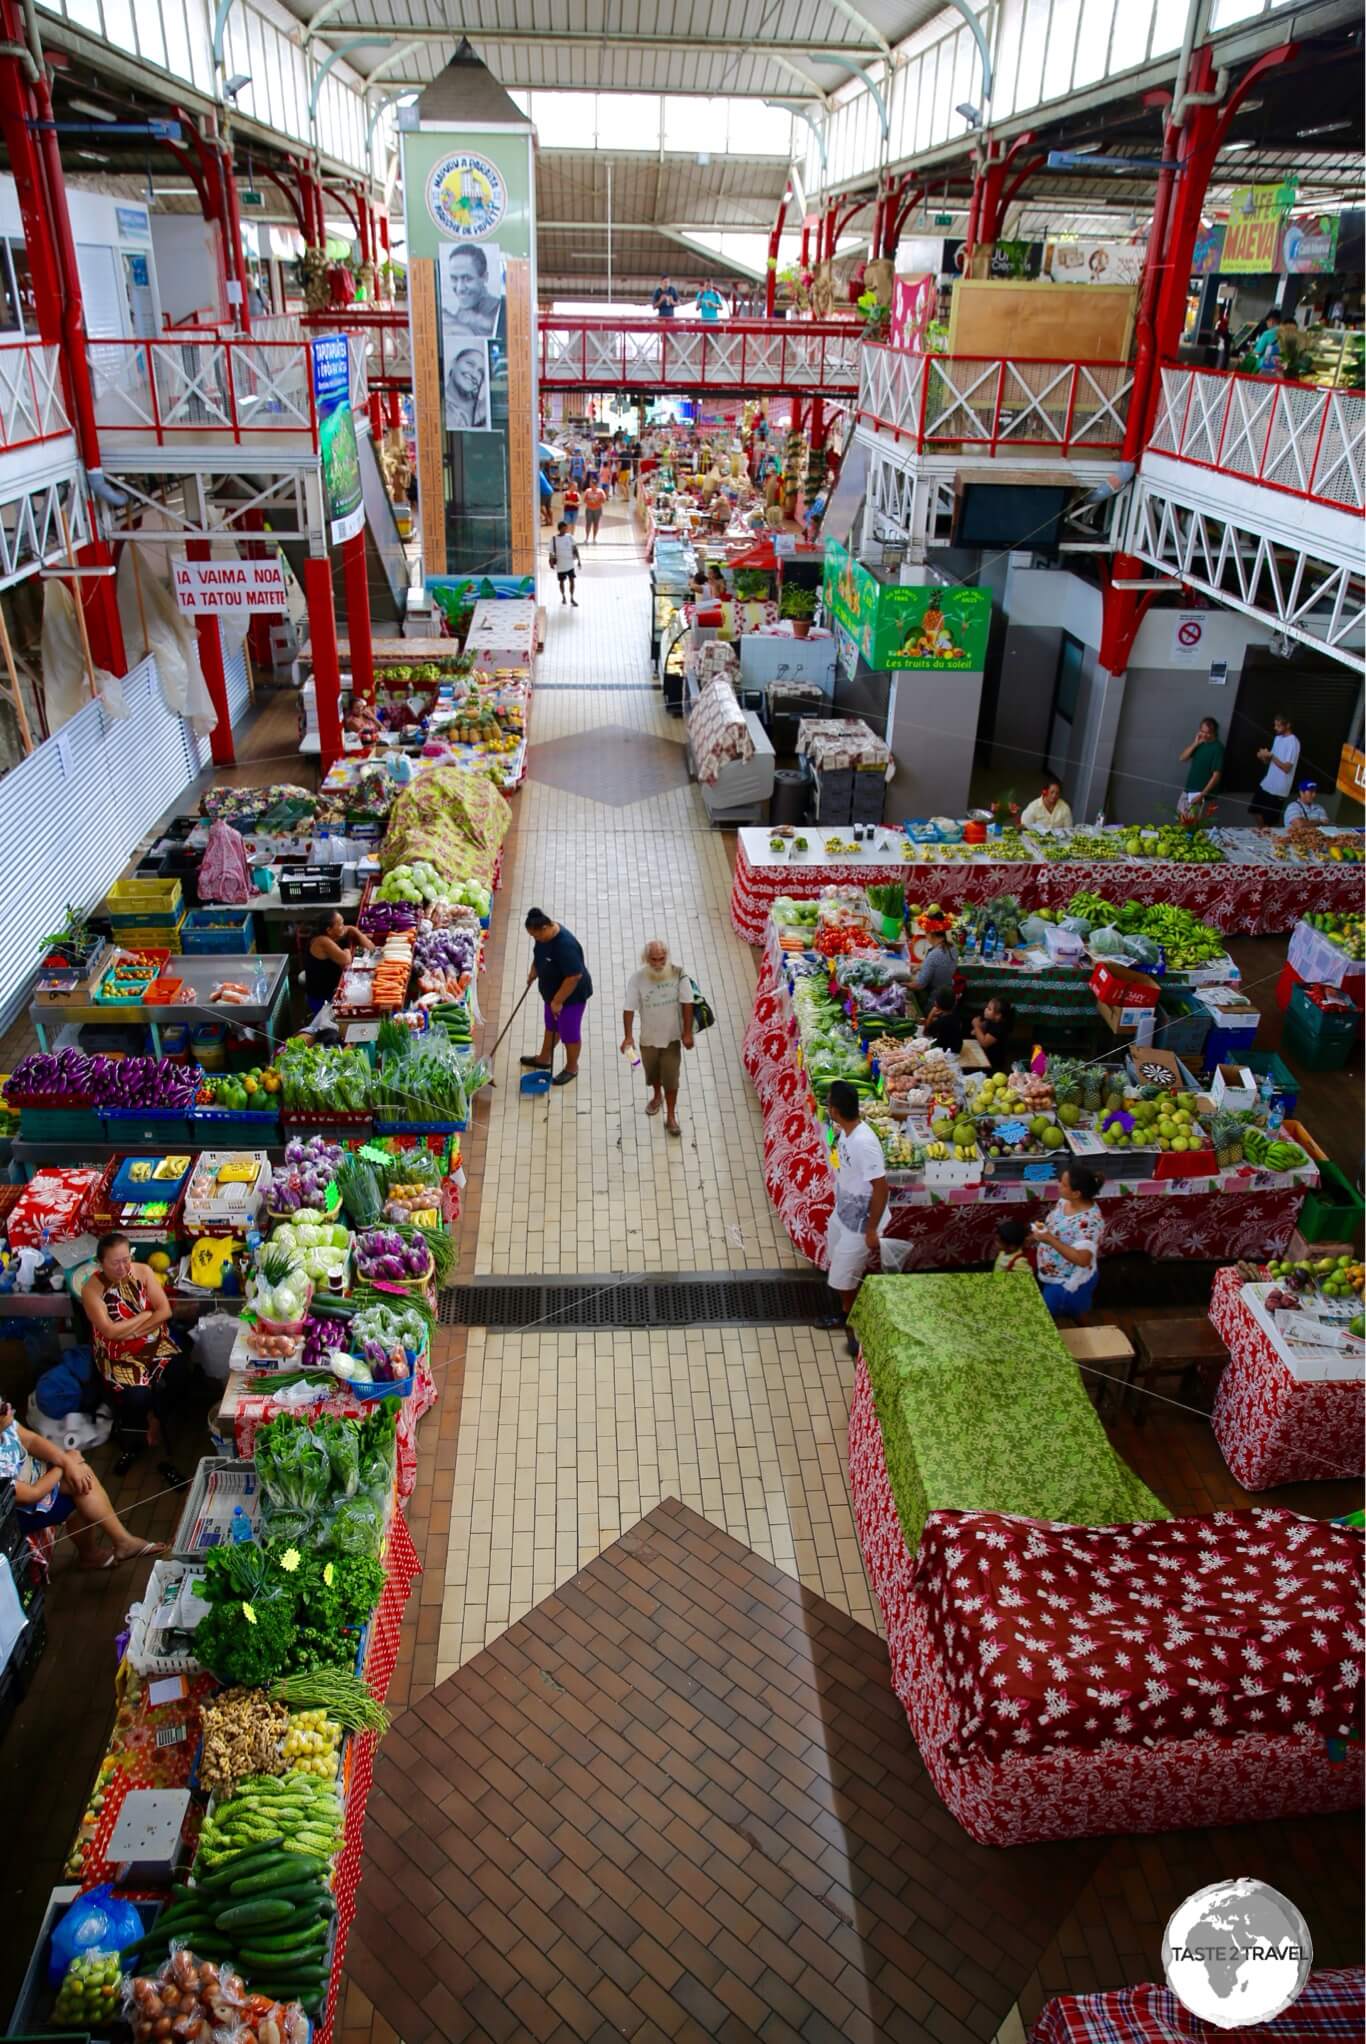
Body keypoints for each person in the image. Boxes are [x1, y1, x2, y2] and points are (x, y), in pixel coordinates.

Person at [0, 1397, 164, 1568]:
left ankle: (118, 1544)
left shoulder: (5, 1421)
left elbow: (30, 1440)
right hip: (14, 1514)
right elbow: (32, 1494)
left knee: (79, 1474)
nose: (9, 1408)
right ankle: (107, 1548)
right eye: (3, 1409)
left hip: (33, 1478)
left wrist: (66, 1461)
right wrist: (65, 1465)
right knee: (78, 1489)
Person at [81, 1234, 183, 1481]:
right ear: (100, 1263)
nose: (123, 1267)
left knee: (180, 1371)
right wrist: (144, 1317)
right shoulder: (92, 1291)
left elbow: (165, 1310)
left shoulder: (143, 1272)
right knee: (137, 1395)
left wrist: (136, 1329)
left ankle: (157, 1417)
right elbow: (110, 1332)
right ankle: (147, 1419)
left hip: (153, 1341)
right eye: (115, 1263)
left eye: (126, 1259)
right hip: (118, 1355)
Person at [817, 1080, 889, 1337]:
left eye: (828, 1104)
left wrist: (871, 1230)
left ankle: (849, 1314)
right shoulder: (847, 1132)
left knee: (843, 1273)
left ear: (835, 1111)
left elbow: (881, 1188)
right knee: (837, 1257)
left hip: (861, 1221)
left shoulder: (864, 1143)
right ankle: (849, 1299)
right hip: (844, 1212)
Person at [621, 940, 695, 1138]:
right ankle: (656, 1095)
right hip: (648, 1039)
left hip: (672, 1039)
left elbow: (688, 1003)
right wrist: (628, 1036)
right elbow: (629, 1008)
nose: (658, 963)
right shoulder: (637, 980)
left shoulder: (679, 974)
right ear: (646, 959)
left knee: (671, 1078)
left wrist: (687, 1033)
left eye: (661, 958)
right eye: (653, 959)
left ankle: (671, 1116)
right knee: (653, 1072)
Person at [521, 909, 593, 1085]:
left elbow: (574, 976)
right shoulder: (543, 937)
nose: (535, 939)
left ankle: (571, 1067)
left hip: (571, 997)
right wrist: (534, 970)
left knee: (569, 1032)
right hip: (552, 995)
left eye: (536, 935)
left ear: (546, 927)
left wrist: (558, 1001)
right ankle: (544, 1058)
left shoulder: (565, 945)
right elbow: (539, 955)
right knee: (551, 1026)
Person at [1031, 1166, 1105, 1316]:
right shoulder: (1065, 1201)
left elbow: (1083, 1259)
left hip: (1065, 1283)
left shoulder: (1089, 1223)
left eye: (1063, 1184)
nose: (1058, 1185)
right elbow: (1058, 1226)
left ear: (1076, 1193)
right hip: (1054, 1270)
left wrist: (1050, 1239)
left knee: (1051, 1316)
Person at [304, 909, 375, 1016]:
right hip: (322, 998)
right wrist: (346, 948)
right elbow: (346, 960)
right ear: (329, 930)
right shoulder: (322, 941)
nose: (343, 926)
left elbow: (371, 947)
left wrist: (353, 929)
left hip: (332, 990)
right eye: (340, 924)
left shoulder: (331, 934)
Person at [442, 245, 503, 339]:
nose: (460, 288)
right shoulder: (462, 311)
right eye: (454, 279)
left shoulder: (502, 313)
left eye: (467, 279)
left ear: (484, 277)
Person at [1251, 712, 1300, 822]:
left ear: (1288, 725)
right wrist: (1263, 756)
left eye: (1279, 726)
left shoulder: (1293, 742)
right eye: (1275, 725)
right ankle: (1262, 832)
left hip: (1279, 788)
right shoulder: (1277, 738)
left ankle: (1264, 834)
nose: (1275, 728)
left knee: (1269, 819)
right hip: (1268, 783)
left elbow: (1287, 768)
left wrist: (1271, 756)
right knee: (1255, 810)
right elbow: (1269, 762)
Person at [1178, 715, 1224, 816]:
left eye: (1208, 733)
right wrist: (1195, 743)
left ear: (1214, 732)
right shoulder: (1200, 743)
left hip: (1200, 795)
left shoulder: (1218, 748)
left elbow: (1216, 776)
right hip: (1188, 790)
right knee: (1180, 821)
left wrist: (1202, 795)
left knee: (1191, 827)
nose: (1204, 735)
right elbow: (1182, 758)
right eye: (1202, 731)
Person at [445, 346, 490, 430]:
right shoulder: (438, 405)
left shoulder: (486, 406)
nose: (474, 374)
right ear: (454, 363)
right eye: (470, 364)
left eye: (480, 372)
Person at [970, 995, 1016, 1072]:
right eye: (987, 1007)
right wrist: (979, 1028)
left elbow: (984, 1042)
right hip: (987, 1057)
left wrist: (976, 1026)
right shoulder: (991, 1020)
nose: (985, 1010)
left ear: (998, 1015)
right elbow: (979, 1030)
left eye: (989, 1009)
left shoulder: (999, 1028)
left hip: (994, 1064)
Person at [913, 929, 957, 1005]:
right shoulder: (952, 947)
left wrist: (902, 983)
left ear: (931, 933)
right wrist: (919, 966)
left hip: (934, 1000)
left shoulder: (934, 954)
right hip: (947, 995)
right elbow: (938, 965)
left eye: (926, 932)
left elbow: (919, 985)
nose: (926, 936)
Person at [922, 986, 965, 1055]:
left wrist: (931, 1014)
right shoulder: (956, 1016)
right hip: (957, 1048)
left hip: (945, 1053)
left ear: (936, 1004)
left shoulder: (940, 1022)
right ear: (955, 1003)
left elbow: (925, 1032)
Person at [549, 521, 580, 607]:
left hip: (570, 564)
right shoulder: (554, 539)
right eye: (564, 528)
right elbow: (551, 552)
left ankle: (572, 598)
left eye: (566, 528)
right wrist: (551, 562)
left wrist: (579, 560)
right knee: (561, 581)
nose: (566, 529)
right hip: (561, 565)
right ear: (560, 528)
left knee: (572, 580)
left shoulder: (570, 537)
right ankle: (563, 596)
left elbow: (575, 548)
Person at [582, 476, 607, 543]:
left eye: (592, 485)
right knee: (588, 524)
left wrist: (597, 501)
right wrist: (590, 501)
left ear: (596, 485)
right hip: (589, 509)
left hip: (597, 510)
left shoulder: (600, 491)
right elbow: (584, 500)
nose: (591, 486)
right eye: (591, 485)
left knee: (596, 524)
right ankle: (587, 538)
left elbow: (604, 500)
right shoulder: (587, 491)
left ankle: (594, 538)